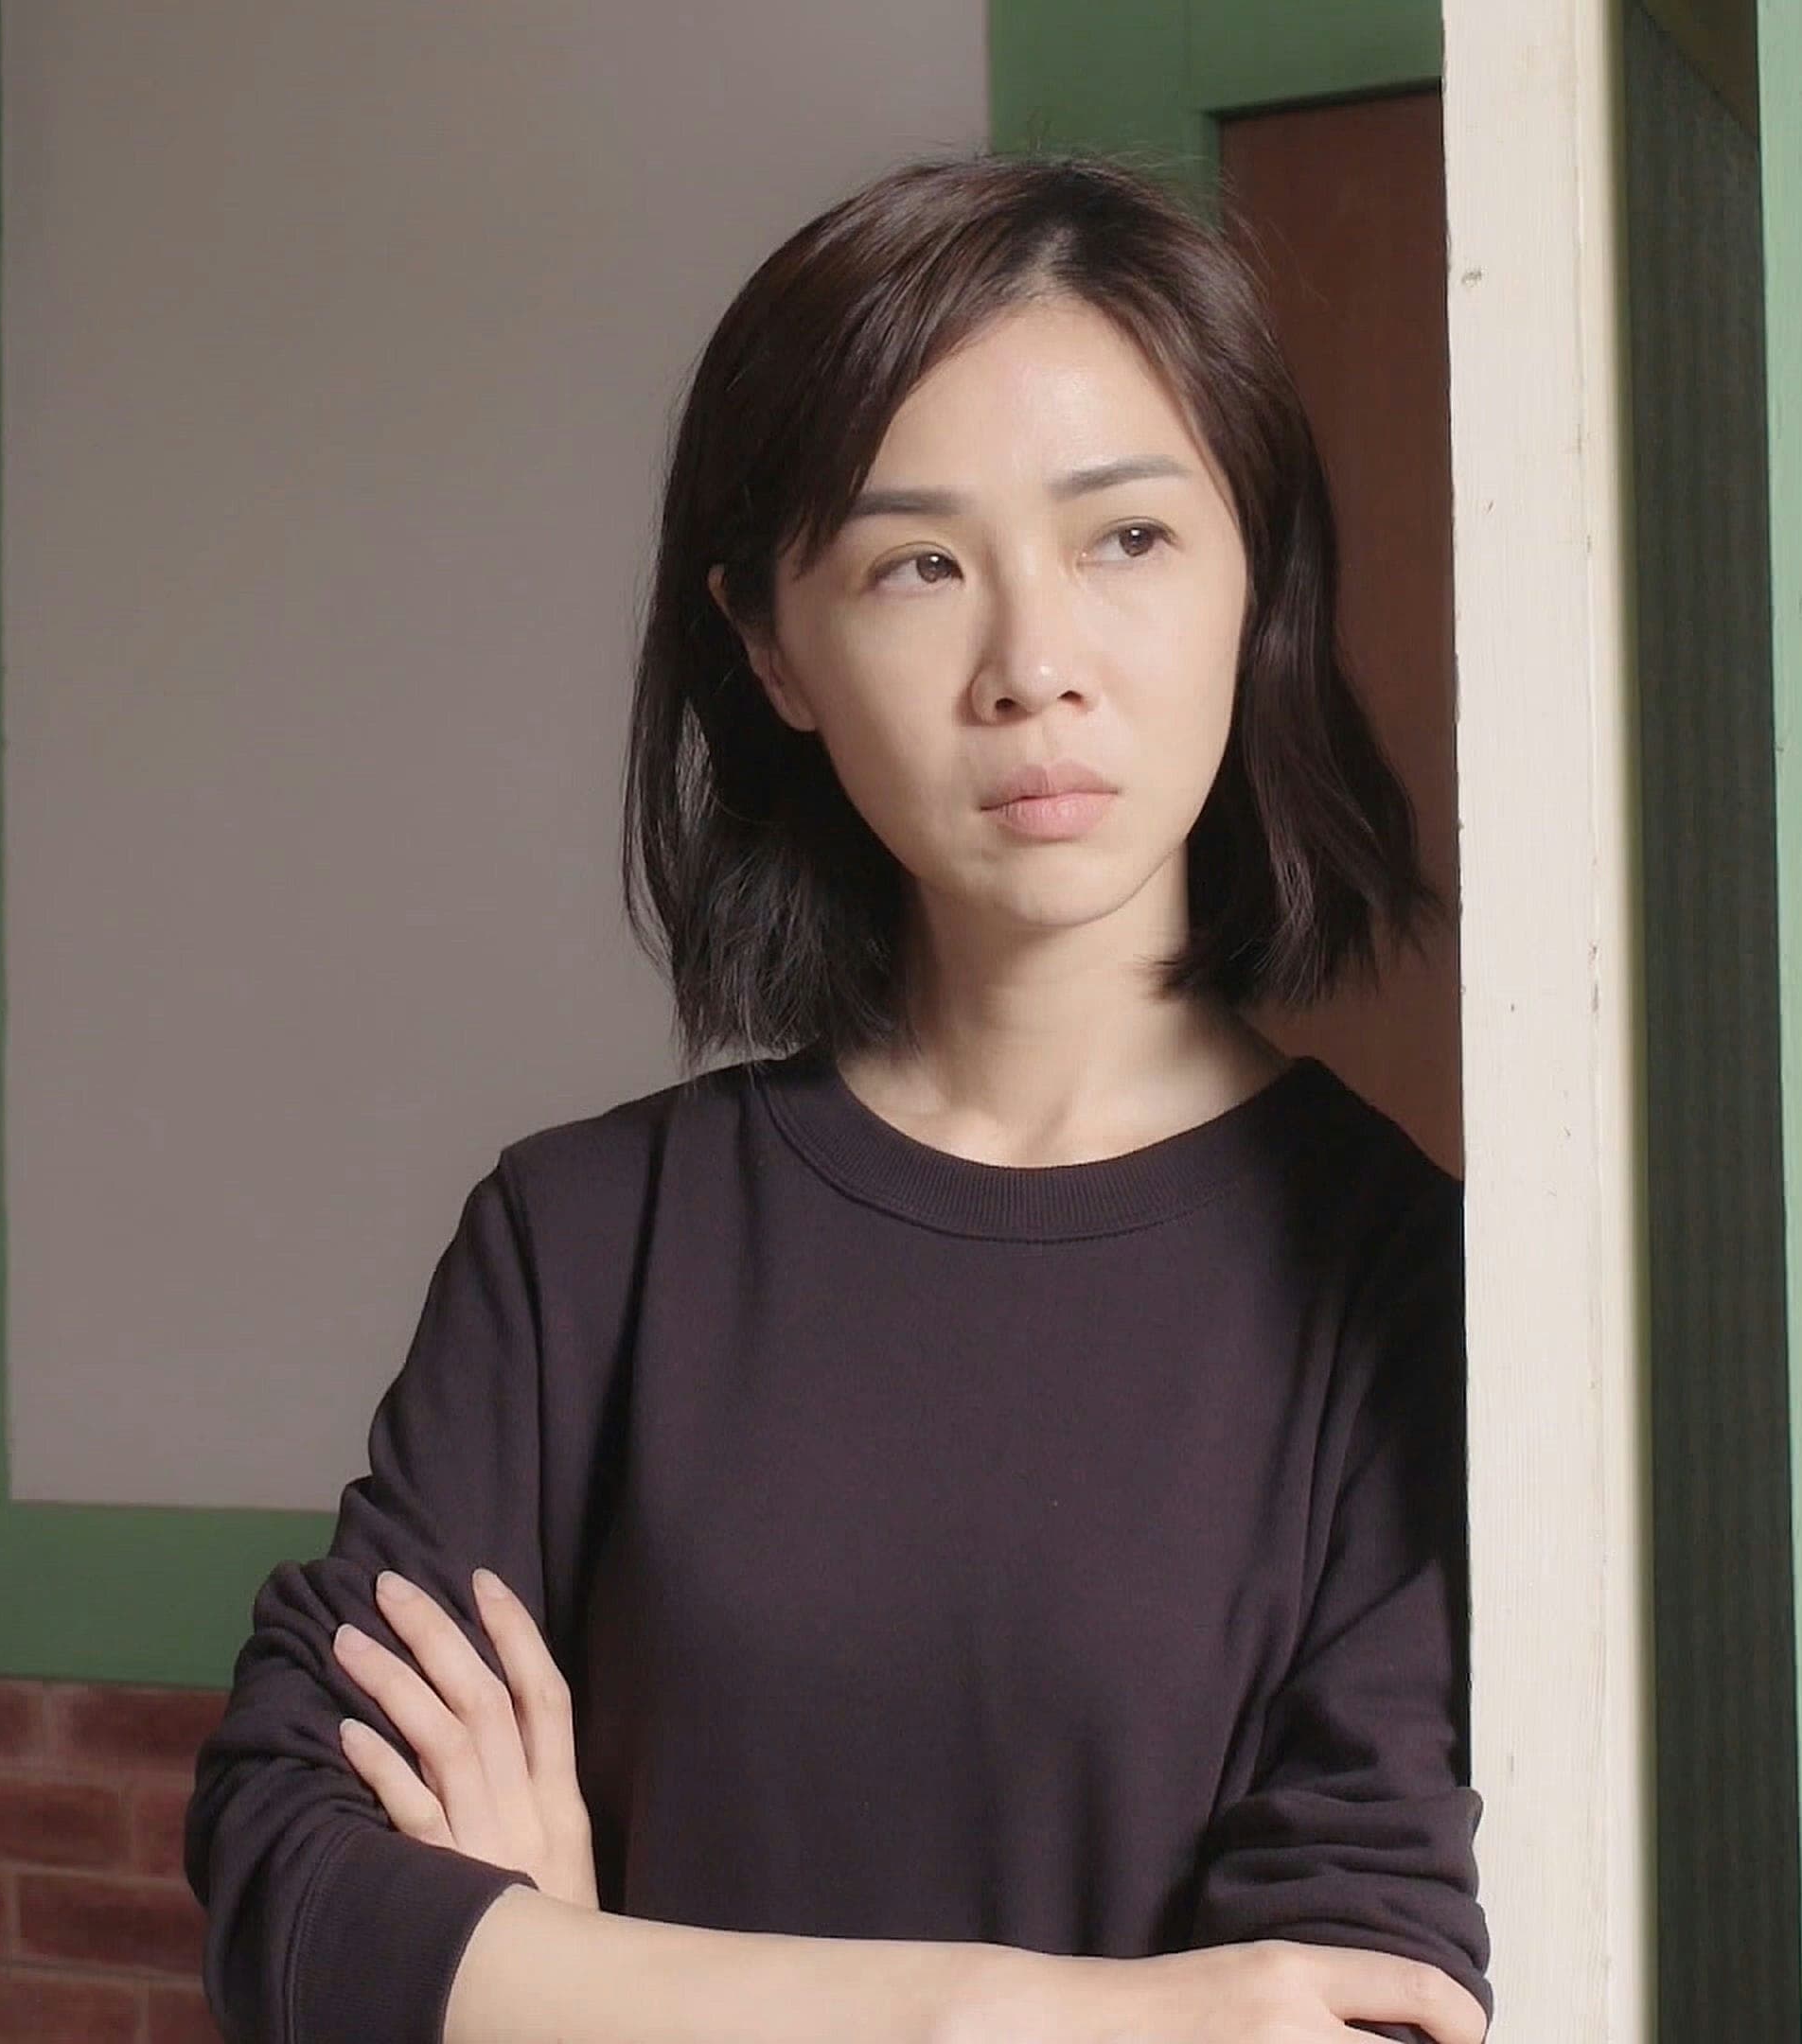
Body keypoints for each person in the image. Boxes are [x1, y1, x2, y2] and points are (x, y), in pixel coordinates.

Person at [179, 154, 1490, 2044]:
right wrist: (1050, 2021)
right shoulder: (585, 1247)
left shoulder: (1414, 1292)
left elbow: (1350, 2012)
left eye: (1127, 538)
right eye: (917, 565)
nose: (1034, 668)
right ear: (774, 646)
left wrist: (569, 1987)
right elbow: (298, 1904)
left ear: (1256, 577)